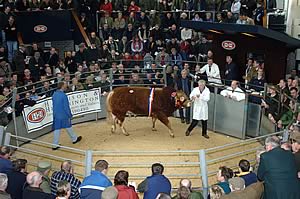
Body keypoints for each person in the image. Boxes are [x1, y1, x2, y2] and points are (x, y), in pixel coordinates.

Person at [52, 81, 82, 150]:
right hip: (63, 115)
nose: (66, 86)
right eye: (65, 85)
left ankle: (54, 144)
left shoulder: (54, 94)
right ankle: (74, 139)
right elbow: (66, 107)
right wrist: (70, 114)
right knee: (68, 126)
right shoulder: (63, 95)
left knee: (57, 129)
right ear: (62, 86)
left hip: (56, 115)